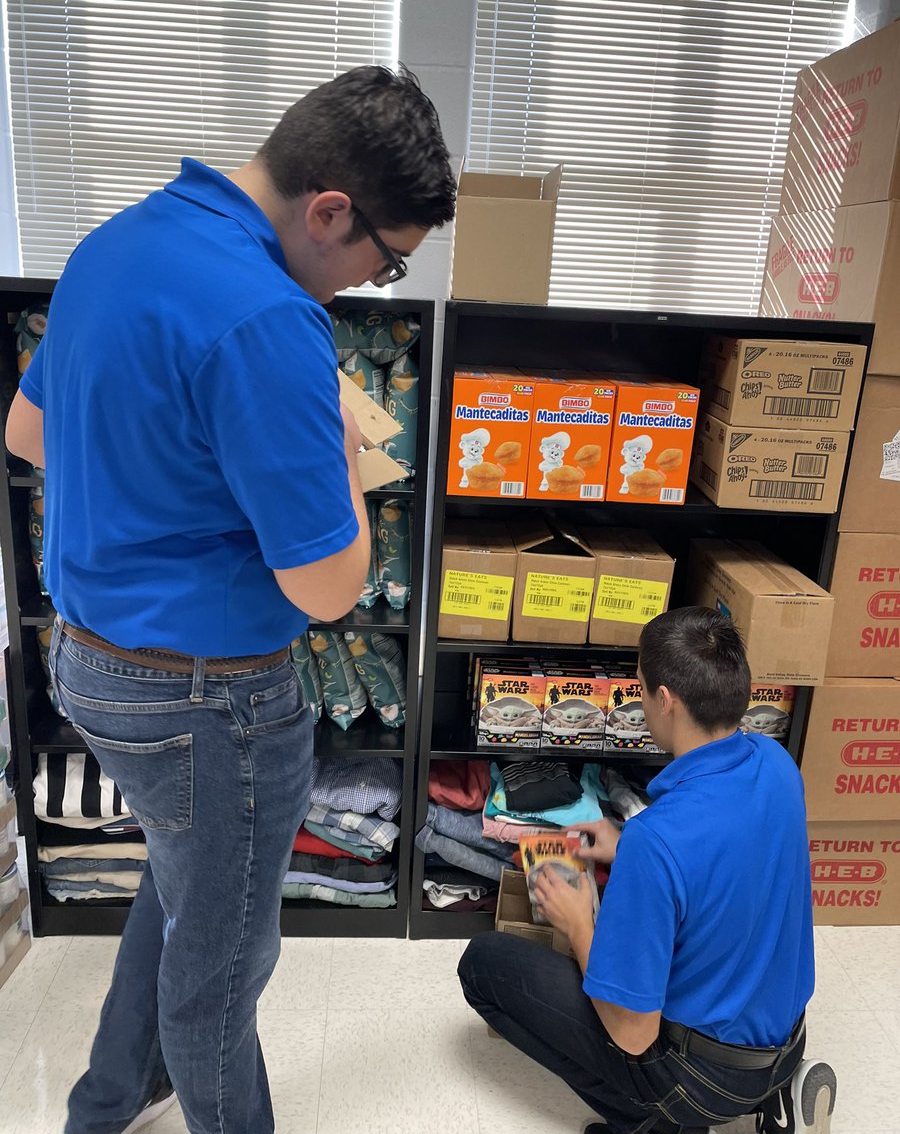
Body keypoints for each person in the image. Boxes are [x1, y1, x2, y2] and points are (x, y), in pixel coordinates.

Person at [5, 64, 455, 1134]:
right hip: (205, 702)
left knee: (181, 882)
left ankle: (109, 1100)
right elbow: (333, 587)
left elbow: (26, 435)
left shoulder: (114, 242)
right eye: (383, 264)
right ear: (330, 210)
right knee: (220, 982)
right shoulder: (270, 320)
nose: (363, 289)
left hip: (89, 665)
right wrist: (340, 447)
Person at [458, 607, 837, 1134]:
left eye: (639, 686)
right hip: (785, 1043)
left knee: (483, 965)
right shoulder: (775, 765)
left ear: (666, 701)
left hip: (703, 1077)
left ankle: (659, 1120)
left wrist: (577, 923)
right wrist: (627, 841)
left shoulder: (659, 842)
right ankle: (773, 1092)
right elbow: (728, 854)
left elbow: (632, 1033)